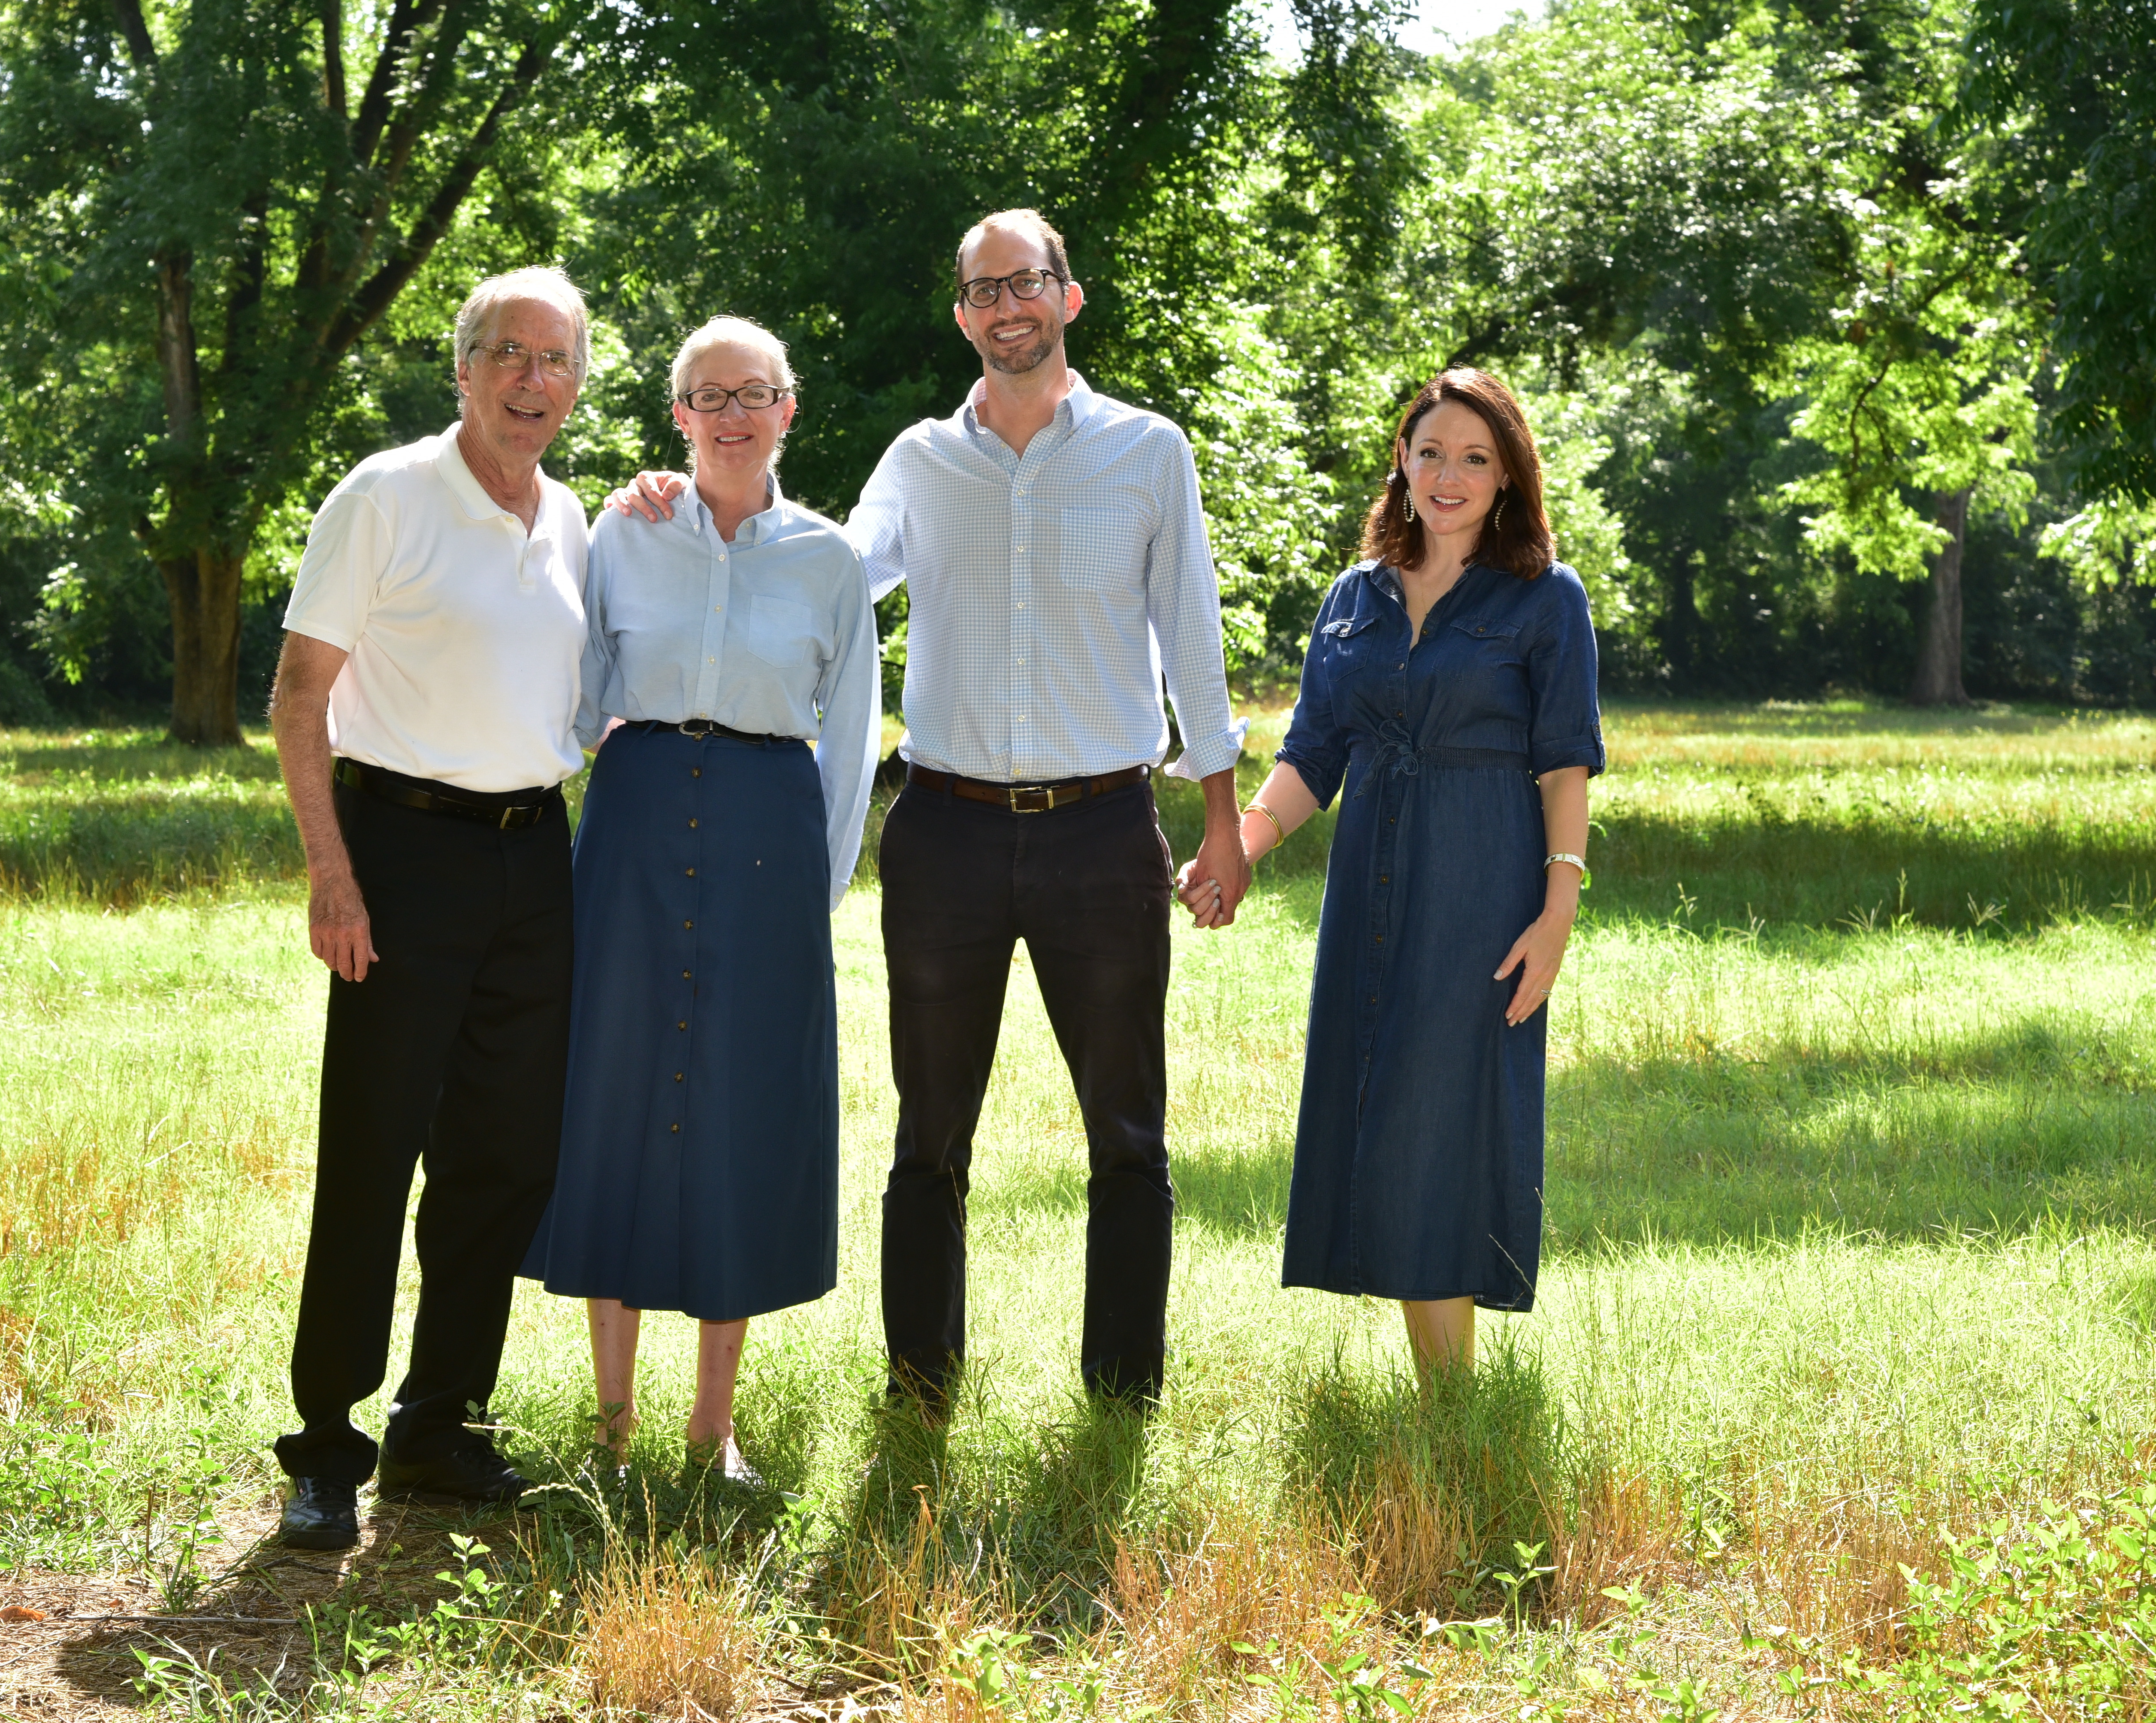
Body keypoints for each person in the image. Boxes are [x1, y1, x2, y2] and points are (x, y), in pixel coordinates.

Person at [623, 211, 1250, 1412]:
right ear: (963, 316)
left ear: (1068, 297)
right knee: (928, 1137)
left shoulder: (1147, 450)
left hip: (1102, 832)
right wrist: (704, 493)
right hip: (946, 835)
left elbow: (1192, 632)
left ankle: (1123, 1394)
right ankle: (920, 1389)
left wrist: (1220, 817)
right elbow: (829, 571)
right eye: (984, 290)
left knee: (1127, 1132)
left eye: (1028, 283)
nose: (1007, 305)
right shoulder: (920, 459)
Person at [266, 266, 595, 1551]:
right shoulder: (385, 495)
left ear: (576, 384)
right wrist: (332, 872)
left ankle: (437, 1424)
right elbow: (300, 695)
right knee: (373, 1145)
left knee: (503, 1157)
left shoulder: (570, 517)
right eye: (507, 354)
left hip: (535, 858)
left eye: (554, 360)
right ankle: (325, 1445)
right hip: (401, 852)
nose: (530, 380)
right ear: (462, 369)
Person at [522, 316, 879, 1485]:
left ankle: (711, 1428)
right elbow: (577, 697)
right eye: (708, 396)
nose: (732, 415)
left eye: (753, 393)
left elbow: (849, 741)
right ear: (678, 415)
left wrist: (816, 894)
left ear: (788, 409)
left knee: (740, 1103)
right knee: (616, 1089)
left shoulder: (830, 560)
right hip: (633, 822)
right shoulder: (622, 534)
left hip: (768, 836)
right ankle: (612, 1427)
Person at [1230, 367, 1604, 1375]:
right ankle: (1447, 1397)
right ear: (1400, 460)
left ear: (1506, 475)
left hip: (1479, 891)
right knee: (1379, 1108)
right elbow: (1313, 755)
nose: (1448, 476)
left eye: (1474, 459)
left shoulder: (1544, 598)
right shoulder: (1352, 597)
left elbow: (1564, 764)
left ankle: (1450, 1403)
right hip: (1368, 888)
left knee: (1435, 1118)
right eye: (1430, 452)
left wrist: (1555, 916)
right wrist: (1238, 851)